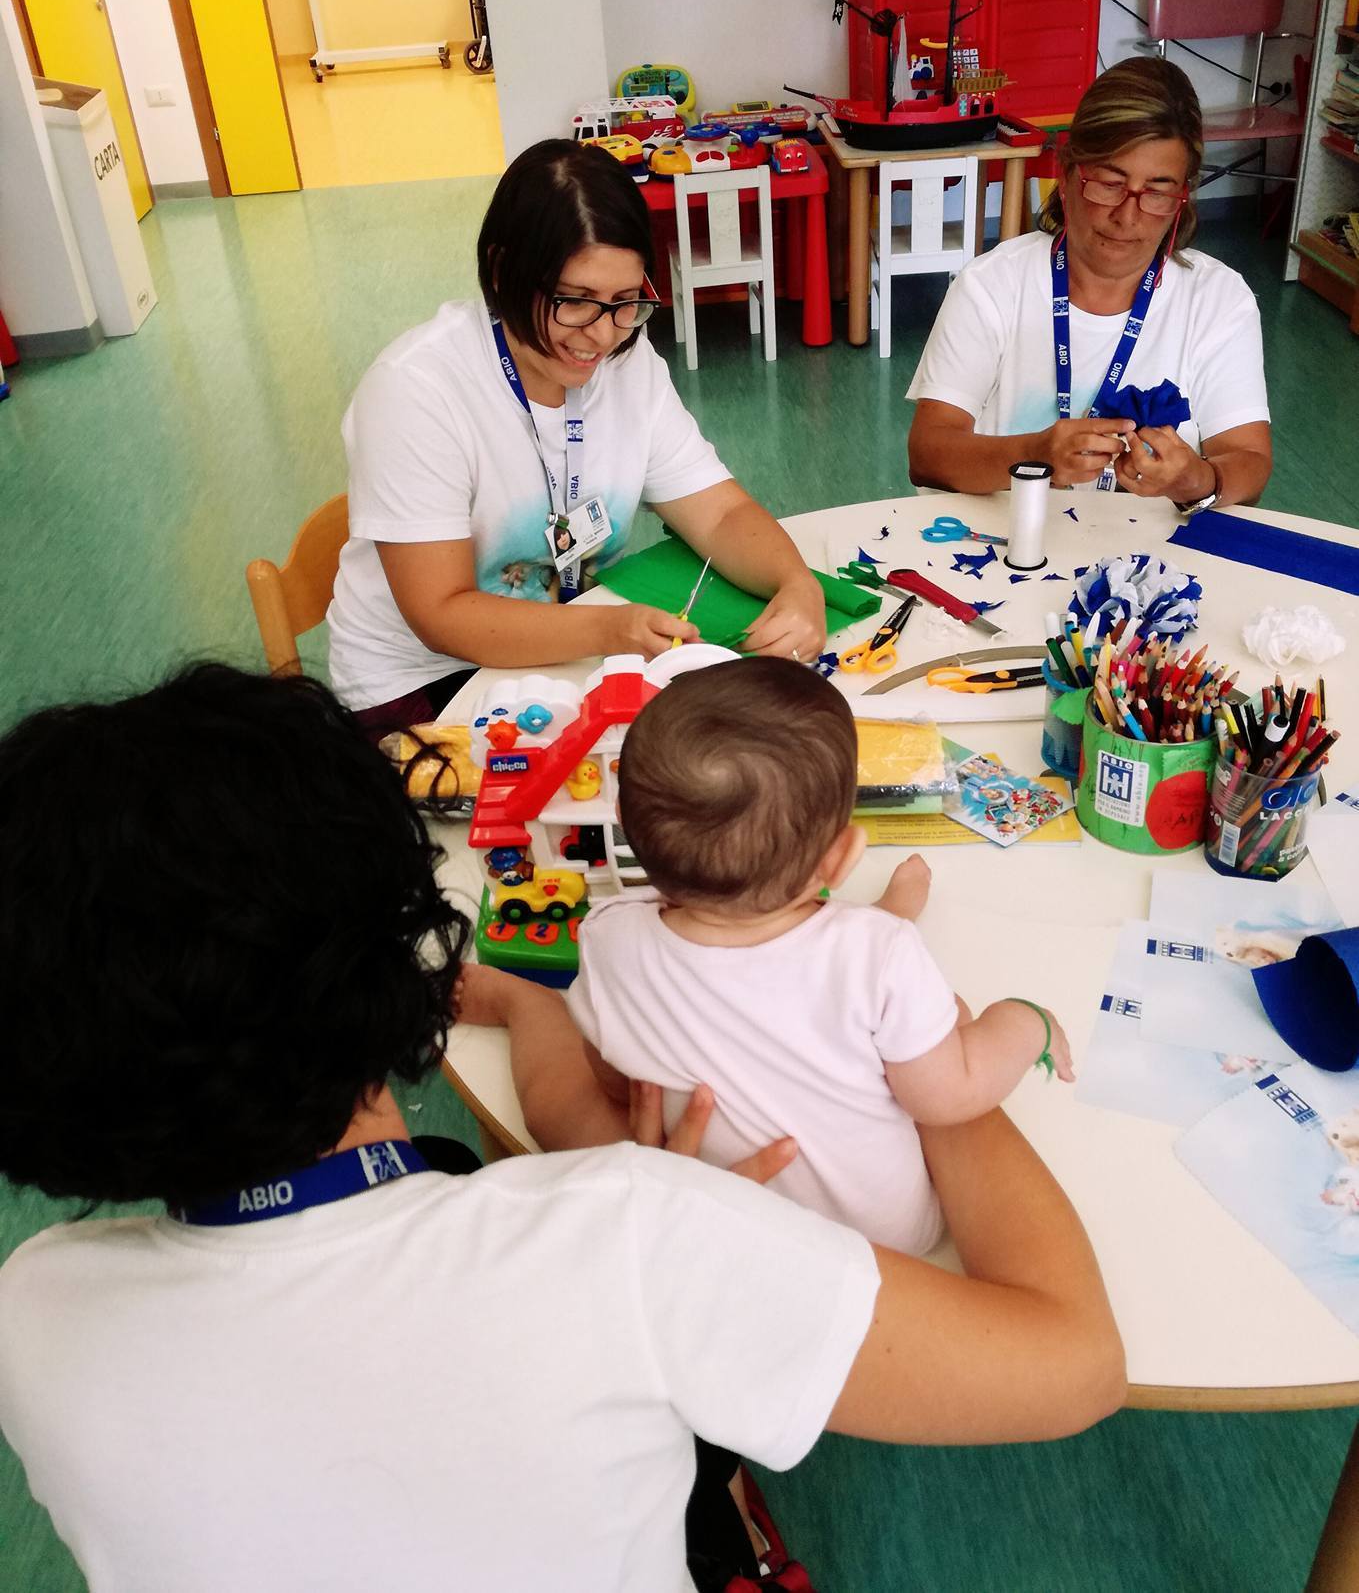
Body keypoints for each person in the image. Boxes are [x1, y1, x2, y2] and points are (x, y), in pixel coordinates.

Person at [0, 665, 1123, 1593]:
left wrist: (540, 1018)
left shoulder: (32, 1307)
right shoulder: (631, 1234)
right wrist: (919, 1056)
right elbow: (1073, 1368)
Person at [561, 657, 1074, 1253]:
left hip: (729, 1228)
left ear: (624, 824)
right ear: (839, 860)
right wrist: (1025, 1022)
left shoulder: (608, 939)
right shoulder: (880, 955)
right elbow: (946, 1097)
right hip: (886, 1251)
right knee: (952, 1018)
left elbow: (614, 1073)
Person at [326, 139, 826, 735]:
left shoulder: (627, 364)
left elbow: (719, 514)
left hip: (569, 646)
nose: (602, 336)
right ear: (501, 270)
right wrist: (610, 630)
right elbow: (441, 614)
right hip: (424, 681)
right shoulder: (415, 389)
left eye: (625, 302)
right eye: (576, 301)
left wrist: (797, 584)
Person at [907, 57, 1273, 509]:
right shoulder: (992, 285)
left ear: (1182, 197)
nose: (1127, 216)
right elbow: (927, 455)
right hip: (1006, 539)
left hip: (1148, 551)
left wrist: (1197, 479)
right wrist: (1033, 454)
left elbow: (1250, 461)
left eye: (1157, 192)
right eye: (1109, 183)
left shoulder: (1218, 299)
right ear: (1066, 177)